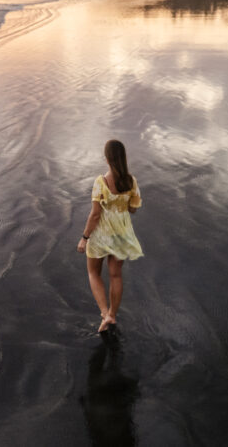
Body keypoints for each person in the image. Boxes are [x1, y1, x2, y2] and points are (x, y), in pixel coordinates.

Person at [78, 139, 143, 333]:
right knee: (115, 275)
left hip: (102, 234)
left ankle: (104, 313)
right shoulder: (131, 181)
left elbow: (95, 214)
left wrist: (84, 238)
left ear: (107, 159)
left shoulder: (101, 182)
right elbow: (133, 209)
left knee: (93, 273)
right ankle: (113, 316)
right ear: (123, 158)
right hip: (122, 234)